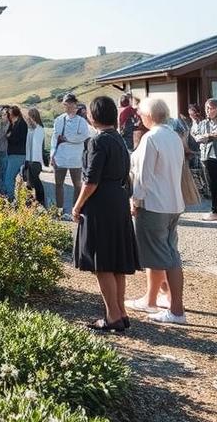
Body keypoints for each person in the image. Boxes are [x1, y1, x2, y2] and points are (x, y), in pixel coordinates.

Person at [72, 96, 139, 331]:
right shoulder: (119, 139)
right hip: (118, 200)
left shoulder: (97, 142)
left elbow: (91, 181)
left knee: (102, 262)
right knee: (116, 261)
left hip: (100, 203)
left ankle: (112, 316)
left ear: (93, 116)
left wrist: (78, 205)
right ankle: (120, 311)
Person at [126, 97, 187, 324]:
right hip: (173, 203)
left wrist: (136, 199)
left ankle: (176, 309)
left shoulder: (151, 138)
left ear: (148, 116)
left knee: (163, 256)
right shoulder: (174, 136)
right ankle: (154, 299)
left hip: (154, 204)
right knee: (167, 252)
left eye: (141, 113)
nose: (139, 117)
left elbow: (143, 175)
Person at [50, 93, 90, 214]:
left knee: (77, 185)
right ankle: (59, 209)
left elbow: (84, 136)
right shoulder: (59, 119)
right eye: (64, 104)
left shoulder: (81, 122)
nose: (66, 107)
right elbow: (54, 138)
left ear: (74, 104)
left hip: (75, 157)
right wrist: (52, 154)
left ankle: (75, 208)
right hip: (60, 156)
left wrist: (68, 138)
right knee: (58, 184)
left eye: (68, 104)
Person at [24, 107, 46, 207]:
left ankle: (40, 201)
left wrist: (31, 160)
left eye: (29, 116)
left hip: (35, 160)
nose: (28, 118)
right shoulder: (30, 128)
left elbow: (36, 146)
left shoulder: (39, 129)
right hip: (29, 159)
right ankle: (30, 202)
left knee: (35, 181)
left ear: (33, 117)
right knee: (29, 182)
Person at [5, 105, 28, 197]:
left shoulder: (21, 124)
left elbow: (16, 139)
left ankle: (10, 198)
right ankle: (15, 197)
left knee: (9, 178)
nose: (8, 115)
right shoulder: (13, 124)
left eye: (9, 113)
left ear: (13, 114)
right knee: (14, 178)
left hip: (17, 154)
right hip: (14, 154)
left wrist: (9, 137)